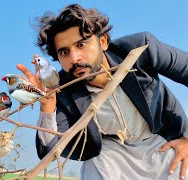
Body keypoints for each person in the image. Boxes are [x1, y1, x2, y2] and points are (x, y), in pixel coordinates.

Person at [16, 3, 188, 180]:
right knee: (95, 166)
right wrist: (47, 107)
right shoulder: (62, 88)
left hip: (163, 141)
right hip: (112, 157)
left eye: (81, 44)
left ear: (103, 42)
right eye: (64, 52)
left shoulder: (141, 49)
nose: (75, 58)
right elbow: (50, 150)